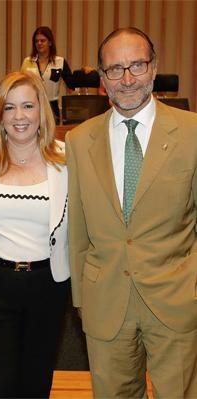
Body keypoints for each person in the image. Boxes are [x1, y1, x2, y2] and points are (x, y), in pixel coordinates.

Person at [66, 27, 197, 398]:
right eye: (114, 69)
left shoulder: (192, 133)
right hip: (106, 303)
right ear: (101, 79)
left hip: (177, 299)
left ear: (154, 68)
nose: (126, 79)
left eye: (136, 65)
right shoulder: (78, 141)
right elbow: (78, 230)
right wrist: (82, 299)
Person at [0, 71, 70, 398]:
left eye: (28, 106)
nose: (19, 116)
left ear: (42, 111)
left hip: (47, 285)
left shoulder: (68, 158)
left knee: (36, 383)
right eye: (9, 108)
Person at [21, 26, 90, 123]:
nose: (39, 43)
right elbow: (20, 86)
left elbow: (71, 84)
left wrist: (86, 72)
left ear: (50, 42)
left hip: (52, 108)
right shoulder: (27, 62)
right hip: (31, 106)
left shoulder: (60, 62)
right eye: (36, 41)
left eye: (42, 40)